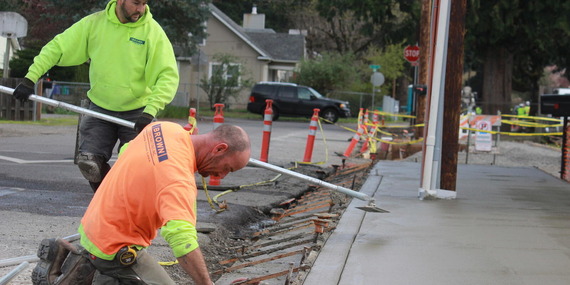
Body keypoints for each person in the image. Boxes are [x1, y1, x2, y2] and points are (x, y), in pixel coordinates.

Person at [32, 122, 251, 285]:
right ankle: (95, 274)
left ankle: (84, 266)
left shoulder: (164, 129)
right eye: (227, 168)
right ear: (219, 148)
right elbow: (183, 243)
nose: (221, 176)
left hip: (91, 228)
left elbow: (127, 149)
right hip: (115, 249)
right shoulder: (178, 180)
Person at [12, 0, 180, 192]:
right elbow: (57, 47)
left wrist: (150, 111)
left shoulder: (153, 32)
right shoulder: (94, 24)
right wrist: (30, 79)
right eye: (136, 3)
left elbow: (167, 75)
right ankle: (108, 200)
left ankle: (131, 206)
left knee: (141, 168)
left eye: (144, 4)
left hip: (138, 112)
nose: (141, 10)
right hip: (99, 108)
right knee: (89, 164)